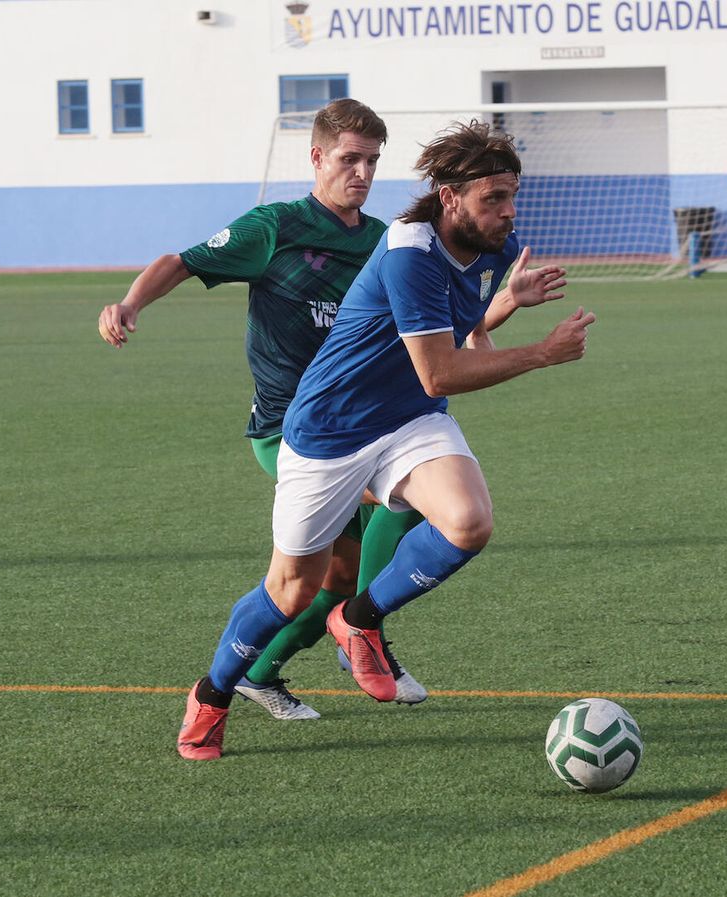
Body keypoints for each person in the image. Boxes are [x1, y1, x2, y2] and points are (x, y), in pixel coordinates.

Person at [98, 100, 564, 722]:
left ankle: (344, 636)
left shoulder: (386, 238)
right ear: (317, 157)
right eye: (350, 159)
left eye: (373, 161)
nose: (363, 173)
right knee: (330, 564)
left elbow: (448, 332)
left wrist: (504, 305)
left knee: (381, 552)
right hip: (298, 423)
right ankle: (285, 663)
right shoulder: (282, 226)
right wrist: (131, 303)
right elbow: (182, 261)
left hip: (389, 415)